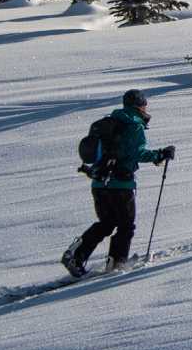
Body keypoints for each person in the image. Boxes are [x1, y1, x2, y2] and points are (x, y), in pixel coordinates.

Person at [63, 89, 174, 276]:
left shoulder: (107, 123)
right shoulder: (133, 125)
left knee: (106, 223)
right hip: (121, 185)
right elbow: (137, 153)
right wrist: (160, 154)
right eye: (144, 103)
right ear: (140, 105)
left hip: (99, 183)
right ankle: (116, 264)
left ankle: (76, 255)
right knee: (125, 225)